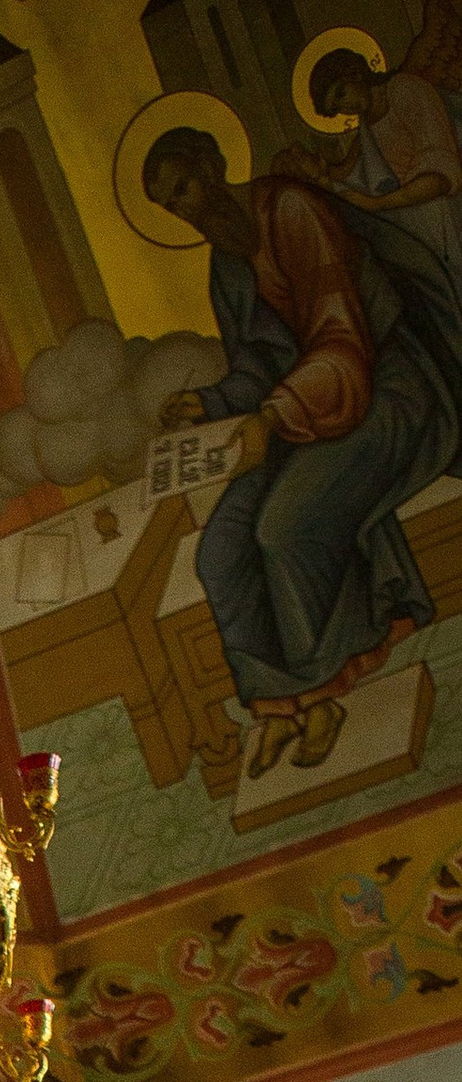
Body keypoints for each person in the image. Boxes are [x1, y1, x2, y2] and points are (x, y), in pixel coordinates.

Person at [145, 122, 462, 784]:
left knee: (285, 522)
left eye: (186, 187)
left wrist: (272, 414)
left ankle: (320, 696)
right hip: (305, 406)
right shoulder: (227, 262)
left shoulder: (290, 210)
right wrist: (211, 401)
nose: (186, 210)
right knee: (220, 551)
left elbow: (342, 335)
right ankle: (276, 708)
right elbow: (258, 365)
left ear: (213, 164)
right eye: (171, 205)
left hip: (388, 385)